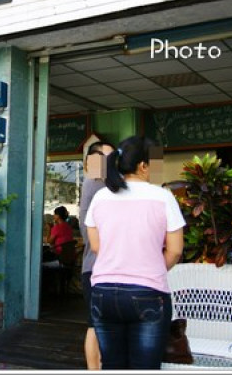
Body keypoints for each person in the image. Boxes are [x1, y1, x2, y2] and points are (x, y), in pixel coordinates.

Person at [84, 135, 185, 369]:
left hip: (103, 293)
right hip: (147, 293)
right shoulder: (163, 197)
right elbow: (175, 250)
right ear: (143, 166)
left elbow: (97, 246)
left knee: (112, 366)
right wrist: (151, 266)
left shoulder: (101, 197)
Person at [79, 140, 115, 370]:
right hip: (96, 267)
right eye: (107, 157)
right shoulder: (95, 182)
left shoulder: (102, 184)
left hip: (99, 266)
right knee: (95, 325)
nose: (113, 161)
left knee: (100, 324)